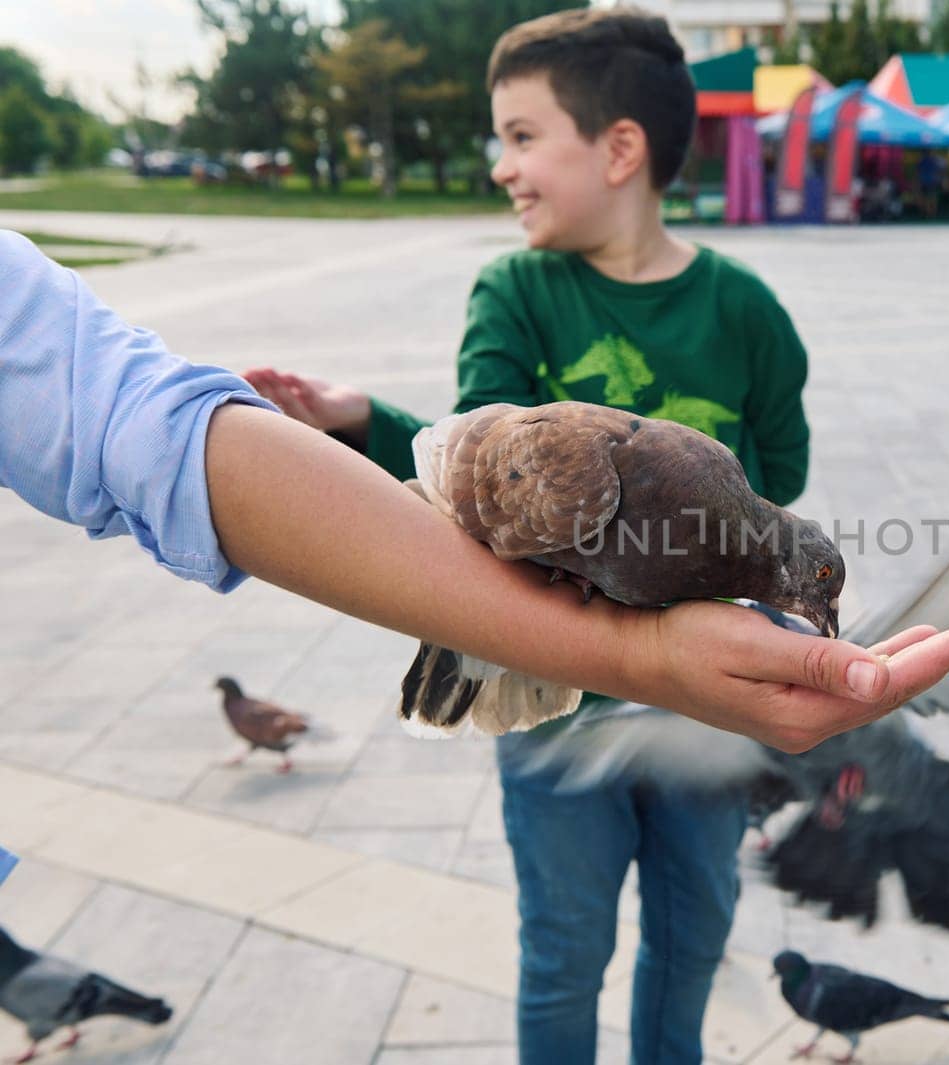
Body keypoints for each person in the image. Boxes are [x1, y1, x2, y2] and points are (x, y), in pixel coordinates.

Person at [242, 9, 913, 1064]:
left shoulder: (744, 312)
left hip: (703, 710)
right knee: (565, 947)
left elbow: (775, 481)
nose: (499, 165)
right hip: (556, 701)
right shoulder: (517, 294)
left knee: (695, 935)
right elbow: (477, 487)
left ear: (618, 149)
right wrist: (368, 422)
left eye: (519, 136)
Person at [0, 228, 949, 756]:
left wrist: (649, 650)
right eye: (816, 585)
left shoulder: (729, 517)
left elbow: (138, 424)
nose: (814, 605)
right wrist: (632, 652)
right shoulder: (651, 473)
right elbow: (471, 452)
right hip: (515, 516)